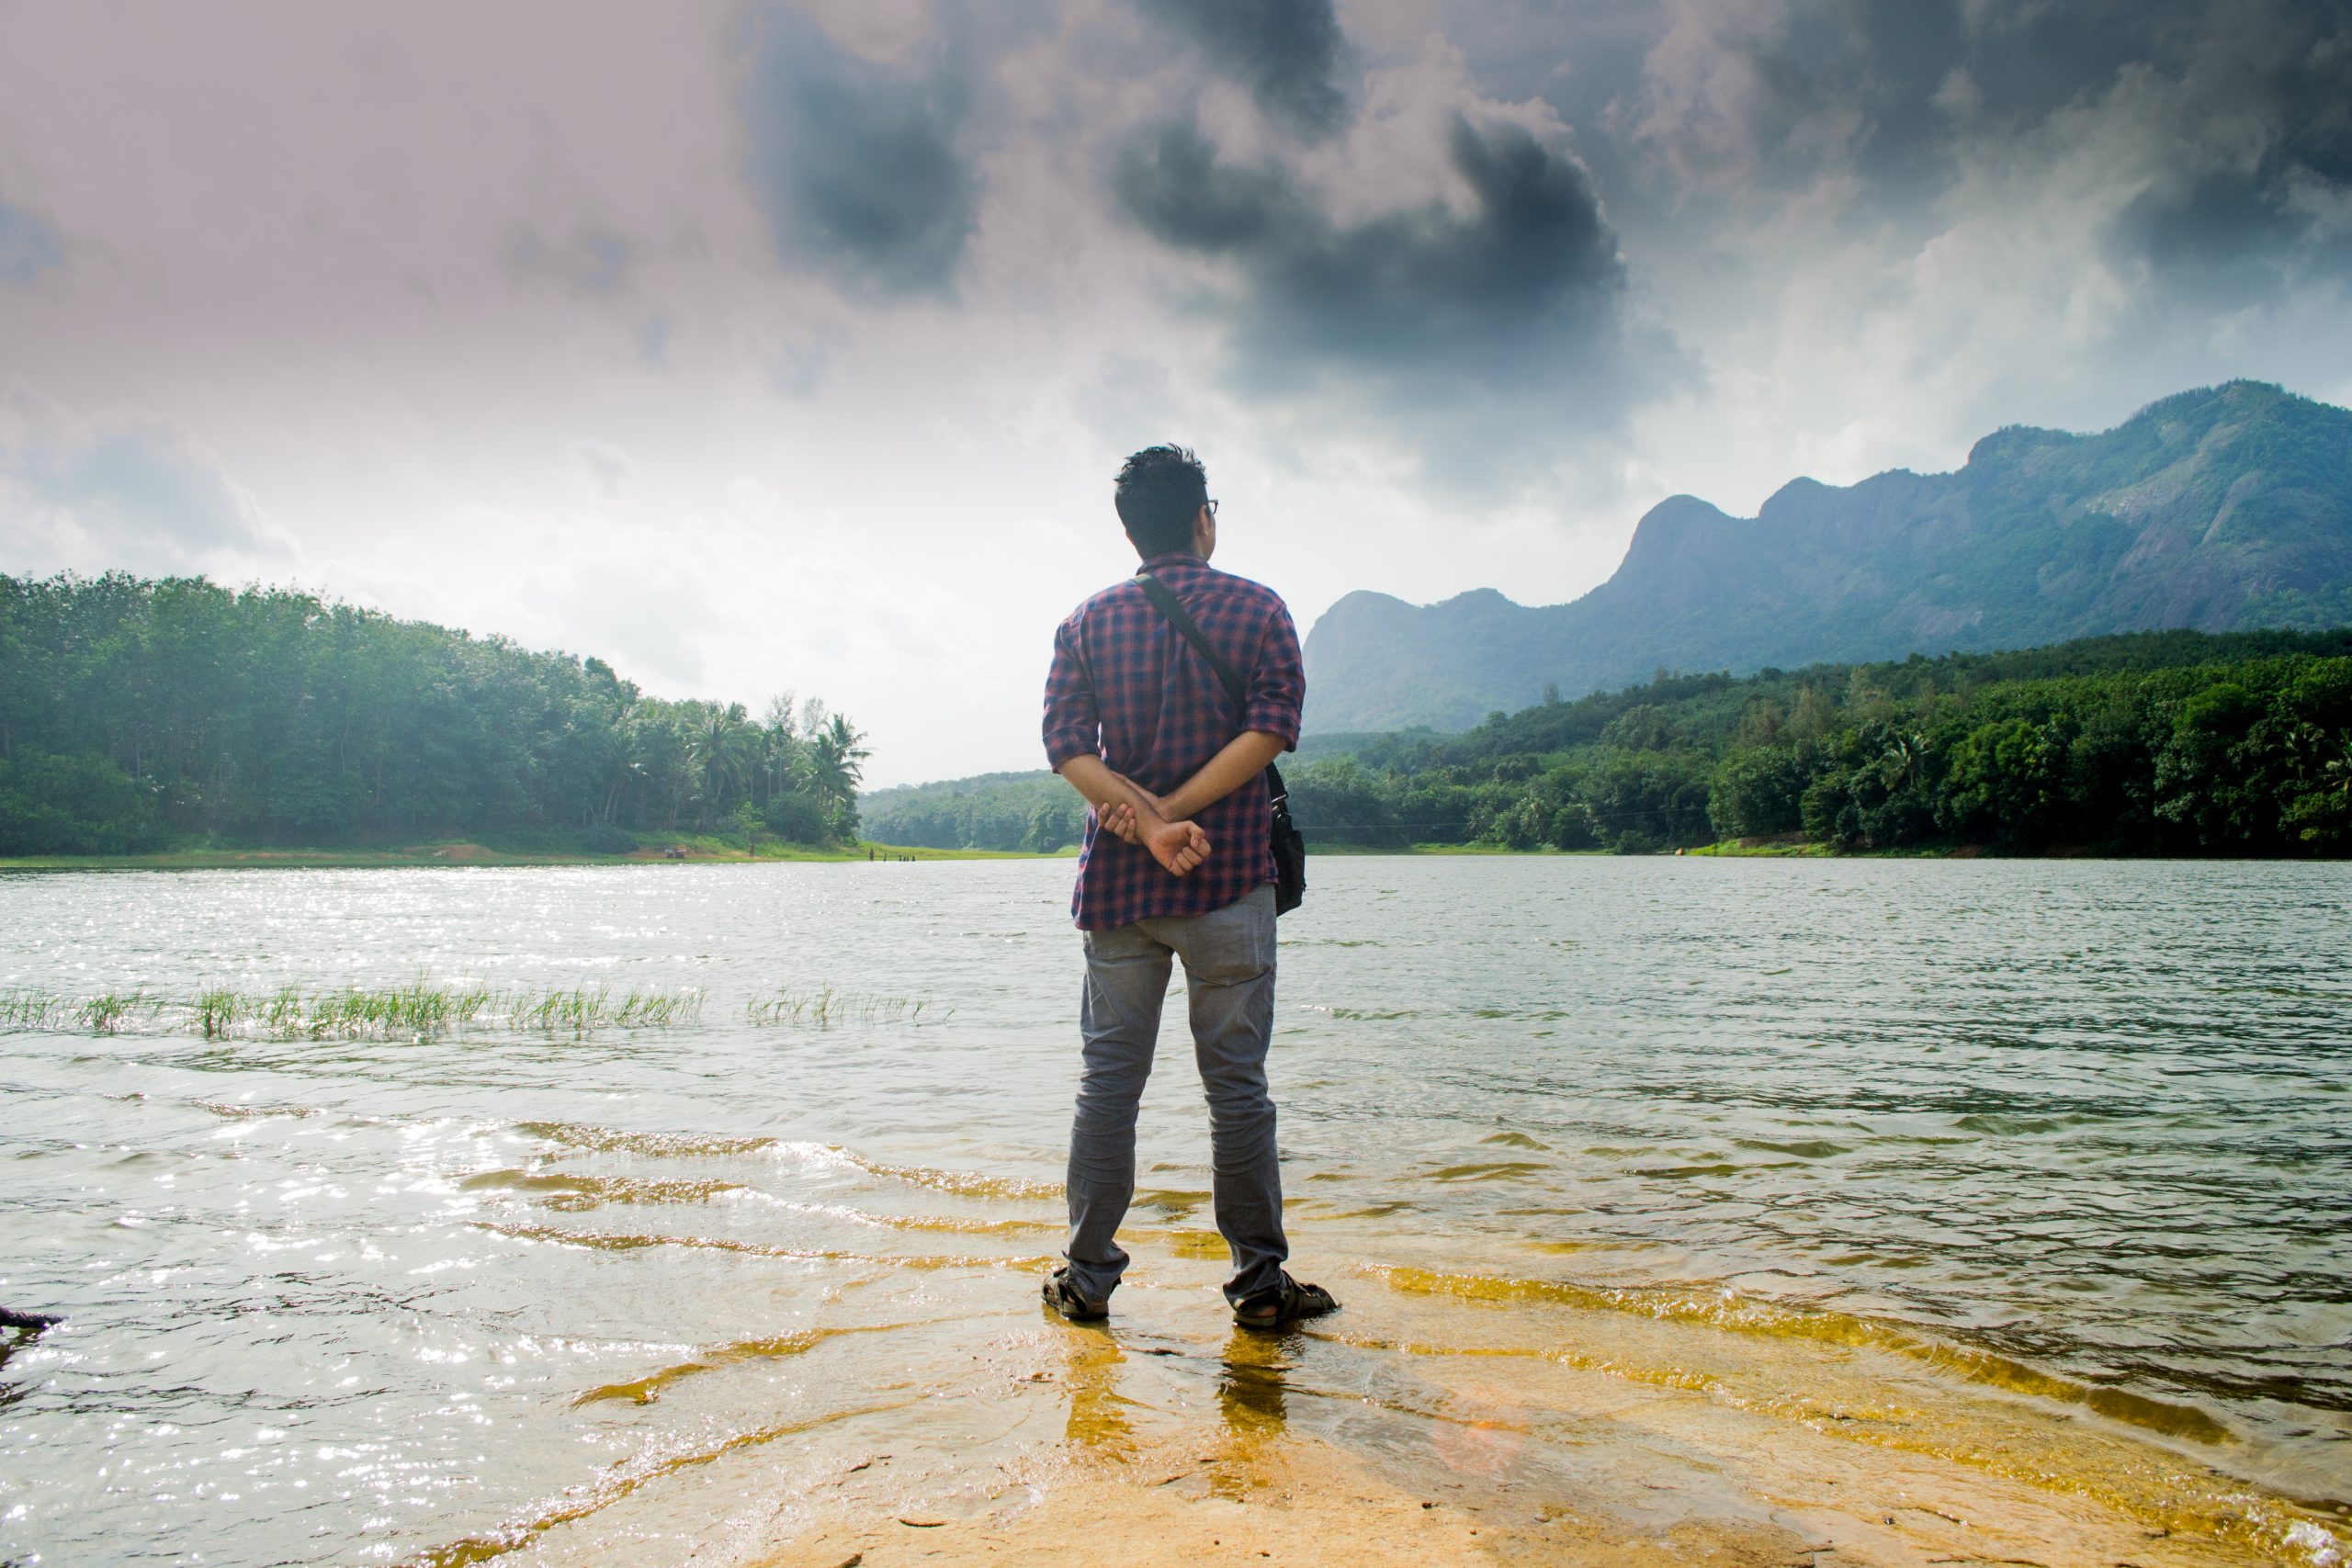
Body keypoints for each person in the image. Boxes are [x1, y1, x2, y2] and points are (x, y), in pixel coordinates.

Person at [1037, 444, 1338, 1331]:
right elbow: (1272, 727)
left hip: (1121, 890)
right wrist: (1177, 815)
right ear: (1205, 518)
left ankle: (1086, 1279)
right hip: (1232, 875)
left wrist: (1147, 817)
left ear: (1130, 529)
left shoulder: (1088, 620)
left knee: (1108, 1085)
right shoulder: (1259, 608)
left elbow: (1066, 745)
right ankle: (1259, 1287)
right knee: (1237, 1087)